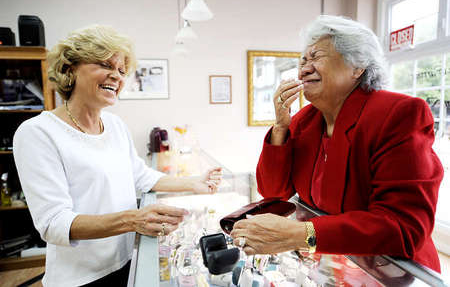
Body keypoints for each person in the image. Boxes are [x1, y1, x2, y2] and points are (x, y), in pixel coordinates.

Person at [13, 25, 223, 287]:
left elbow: (140, 175)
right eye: (105, 65)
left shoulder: (114, 125)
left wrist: (193, 183)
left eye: (122, 71)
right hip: (80, 278)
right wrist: (133, 220)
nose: (116, 76)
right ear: (70, 69)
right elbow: (53, 223)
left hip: (128, 261)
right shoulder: (38, 133)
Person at [230, 15, 443, 273]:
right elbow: (274, 192)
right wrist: (280, 128)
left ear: (358, 67)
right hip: (337, 265)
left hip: (393, 270)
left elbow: (404, 226)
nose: (304, 69)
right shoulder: (304, 121)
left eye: (316, 57)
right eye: (303, 61)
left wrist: (302, 234)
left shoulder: (398, 113)